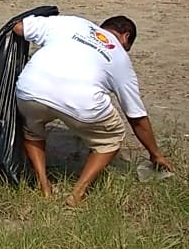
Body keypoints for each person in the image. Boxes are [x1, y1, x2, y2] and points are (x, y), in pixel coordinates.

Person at [12, 14, 173, 206]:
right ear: (125, 37)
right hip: (82, 103)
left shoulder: (72, 22)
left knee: (32, 129)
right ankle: (77, 194)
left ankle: (44, 187)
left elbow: (18, 27)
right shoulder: (120, 57)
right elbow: (136, 116)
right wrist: (155, 154)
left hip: (30, 90)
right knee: (112, 136)